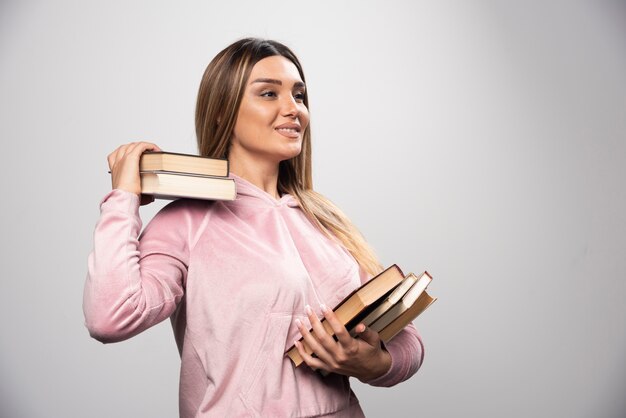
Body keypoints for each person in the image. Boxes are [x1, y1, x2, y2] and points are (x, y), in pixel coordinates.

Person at [83, 37, 424, 417]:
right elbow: (109, 317)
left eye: (299, 95)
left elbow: (407, 339)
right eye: (268, 94)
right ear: (220, 111)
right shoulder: (186, 222)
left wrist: (374, 364)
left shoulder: (325, 221)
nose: (292, 109)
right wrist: (124, 198)